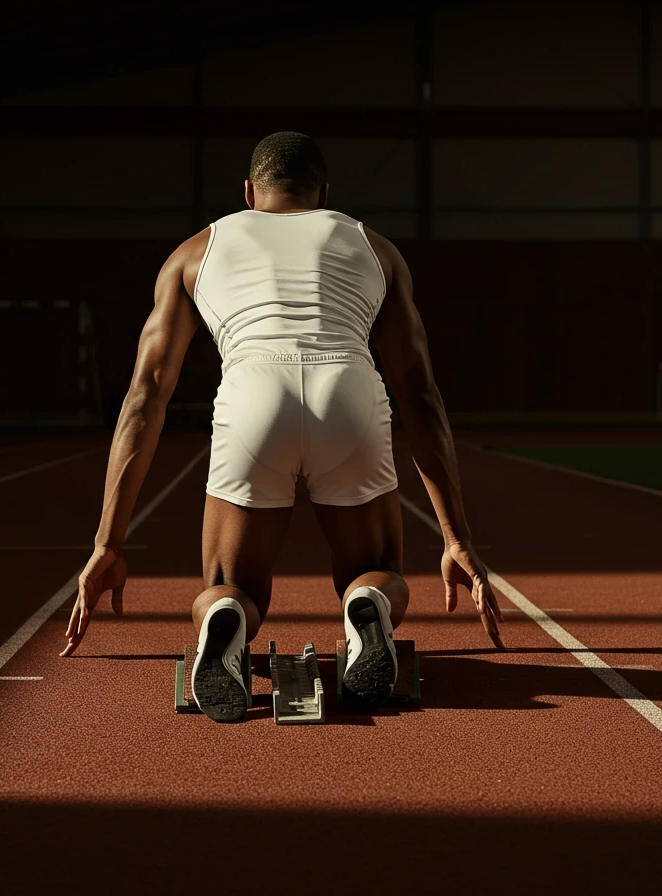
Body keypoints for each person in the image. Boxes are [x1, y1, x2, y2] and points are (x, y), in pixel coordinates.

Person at [60, 132, 506, 721]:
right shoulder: (374, 248)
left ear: (249, 193)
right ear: (324, 195)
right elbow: (421, 396)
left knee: (229, 583)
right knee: (375, 569)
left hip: (253, 396)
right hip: (346, 388)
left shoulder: (195, 251)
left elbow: (145, 399)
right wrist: (457, 538)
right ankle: (365, 603)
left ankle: (228, 620)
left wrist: (107, 544)